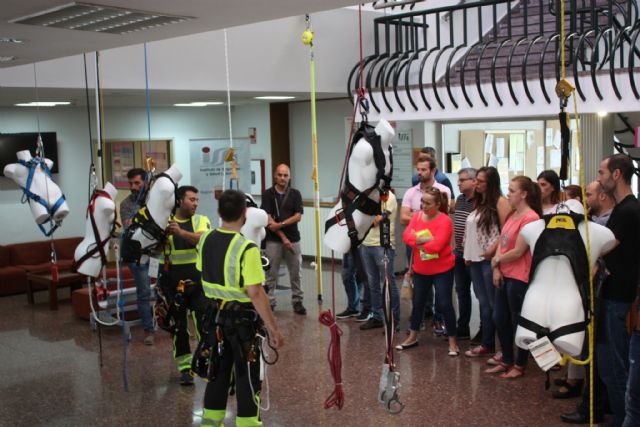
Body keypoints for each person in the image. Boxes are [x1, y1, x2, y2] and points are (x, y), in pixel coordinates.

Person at [198, 189, 284, 427]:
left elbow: (203, 272)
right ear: (244, 214)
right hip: (241, 324)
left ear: (218, 212)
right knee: (247, 375)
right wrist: (274, 330)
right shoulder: (247, 249)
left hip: (213, 319)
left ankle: (210, 422)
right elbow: (256, 294)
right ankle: (248, 423)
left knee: (217, 372)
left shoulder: (204, 239)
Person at [596, 154, 640, 427]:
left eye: (602, 173)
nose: (599, 178)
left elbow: (604, 247)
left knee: (615, 368)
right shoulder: (624, 210)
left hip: (618, 299)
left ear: (616, 175)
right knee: (609, 365)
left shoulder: (628, 212)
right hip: (612, 295)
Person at [489, 176, 541, 379]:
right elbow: (502, 244)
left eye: (512, 190)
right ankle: (507, 359)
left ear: (524, 194)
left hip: (519, 276)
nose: (508, 194)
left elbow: (519, 251)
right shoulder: (512, 215)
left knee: (519, 321)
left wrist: (496, 261)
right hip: (504, 273)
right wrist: (496, 267)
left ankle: (520, 364)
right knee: (500, 318)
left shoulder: (531, 218)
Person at [158, 185, 211, 385]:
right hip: (171, 281)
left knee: (204, 324)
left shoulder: (201, 220)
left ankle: (206, 362)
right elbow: (153, 247)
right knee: (178, 327)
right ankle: (185, 368)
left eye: (197, 199)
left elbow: (201, 239)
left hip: (197, 281)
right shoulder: (164, 221)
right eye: (191, 199)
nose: (195, 203)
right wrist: (160, 238)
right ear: (179, 200)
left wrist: (179, 232)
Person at [398, 188, 459, 357]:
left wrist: (416, 240)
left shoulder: (445, 221)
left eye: (428, 203)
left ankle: (453, 341)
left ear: (438, 204)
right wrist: (426, 239)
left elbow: (437, 246)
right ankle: (413, 335)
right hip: (421, 268)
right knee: (418, 304)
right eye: (422, 202)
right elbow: (405, 236)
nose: (423, 206)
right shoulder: (417, 216)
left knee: (445, 304)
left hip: (442, 269)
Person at [463, 166, 511, 359]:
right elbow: (472, 232)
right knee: (483, 304)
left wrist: (493, 250)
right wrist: (467, 253)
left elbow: (507, 231)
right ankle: (487, 343)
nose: (476, 183)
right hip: (475, 259)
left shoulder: (500, 202)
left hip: (489, 260)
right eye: (476, 180)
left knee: (495, 305)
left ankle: (503, 348)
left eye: (480, 181)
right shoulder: (479, 202)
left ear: (490, 183)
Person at [401, 157, 451, 325]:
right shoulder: (411, 192)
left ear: (432, 171)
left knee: (442, 295)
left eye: (424, 169)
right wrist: (425, 237)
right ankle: (422, 316)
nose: (420, 173)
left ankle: (439, 319)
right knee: (420, 289)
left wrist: (418, 234)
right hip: (417, 252)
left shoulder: (443, 190)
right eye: (418, 169)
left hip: (439, 256)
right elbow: (403, 219)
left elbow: (442, 219)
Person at [261, 164, 306, 315]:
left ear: (289, 177)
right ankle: (270, 302)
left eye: (285, 175)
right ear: (275, 175)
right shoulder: (268, 194)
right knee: (271, 274)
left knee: (296, 272)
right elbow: (267, 218)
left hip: (294, 239)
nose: (282, 178)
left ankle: (298, 302)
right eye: (280, 175)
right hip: (273, 240)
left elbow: (298, 216)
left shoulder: (295, 194)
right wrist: (283, 236)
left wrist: (280, 224)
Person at [119, 168, 155, 345]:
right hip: (137, 255)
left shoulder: (154, 200)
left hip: (156, 252)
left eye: (137, 183)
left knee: (164, 289)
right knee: (144, 293)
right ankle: (148, 330)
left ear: (146, 183)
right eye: (131, 183)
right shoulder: (126, 204)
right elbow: (129, 226)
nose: (133, 187)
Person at [358, 190, 400, 331]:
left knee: (389, 283)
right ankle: (377, 317)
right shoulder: (368, 197)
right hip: (366, 244)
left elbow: (376, 221)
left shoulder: (388, 196)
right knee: (372, 283)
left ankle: (394, 321)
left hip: (383, 246)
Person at [451, 167, 476, 340]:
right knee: (462, 291)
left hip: (473, 256)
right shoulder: (460, 199)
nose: (458, 183)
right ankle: (463, 326)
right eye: (458, 180)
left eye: (462, 180)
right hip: (458, 253)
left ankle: (485, 330)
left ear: (474, 181)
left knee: (481, 294)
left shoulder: (480, 201)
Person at [335, 252, 370, 320]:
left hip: (363, 245)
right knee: (346, 275)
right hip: (349, 246)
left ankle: (368, 310)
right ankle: (353, 308)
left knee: (365, 277)